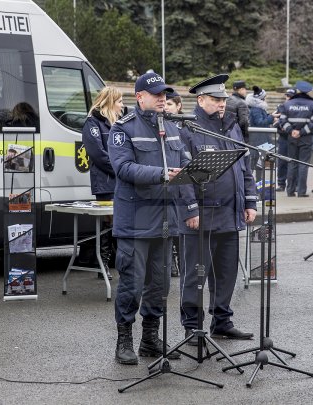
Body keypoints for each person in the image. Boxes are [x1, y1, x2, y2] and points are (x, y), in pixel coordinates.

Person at [107, 72, 197, 365]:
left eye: (164, 95)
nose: (162, 99)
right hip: (135, 222)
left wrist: (199, 171)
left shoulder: (171, 128)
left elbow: (184, 162)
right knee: (131, 285)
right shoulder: (123, 129)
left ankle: (149, 339)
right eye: (156, 94)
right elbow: (123, 168)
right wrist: (160, 175)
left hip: (165, 221)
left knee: (160, 287)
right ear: (140, 97)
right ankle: (124, 340)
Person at [178, 74, 258, 342]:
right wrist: (190, 210)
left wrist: (249, 201)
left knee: (225, 273)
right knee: (195, 275)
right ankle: (192, 326)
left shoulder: (232, 126)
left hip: (230, 213)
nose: (222, 103)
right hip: (203, 216)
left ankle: (222, 321)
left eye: (223, 99)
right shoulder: (189, 128)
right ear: (201, 100)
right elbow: (183, 175)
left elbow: (244, 168)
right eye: (215, 99)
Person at [81, 86, 125, 279]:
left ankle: (119, 263)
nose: (123, 105)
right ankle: (103, 264)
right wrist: (123, 168)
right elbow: (98, 154)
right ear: (109, 102)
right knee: (108, 224)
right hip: (106, 183)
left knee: (119, 224)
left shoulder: (119, 123)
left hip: (120, 181)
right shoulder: (92, 123)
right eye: (120, 101)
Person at [278, 81, 313, 197]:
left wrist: (292, 131)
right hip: (306, 138)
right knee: (303, 164)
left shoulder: (288, 104)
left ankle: (290, 191)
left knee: (292, 163)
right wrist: (301, 132)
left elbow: (282, 121)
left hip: (291, 138)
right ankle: (301, 191)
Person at [163, 90, 183, 278]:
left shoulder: (185, 127)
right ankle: (171, 264)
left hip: (182, 186)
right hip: (168, 183)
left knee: (180, 229)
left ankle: (180, 261)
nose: (166, 107)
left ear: (179, 107)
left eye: (170, 104)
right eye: (165, 103)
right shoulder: (162, 126)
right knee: (169, 227)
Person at [246, 86, 275, 180]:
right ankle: (253, 183)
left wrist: (270, 116)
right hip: (258, 139)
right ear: (261, 98)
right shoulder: (256, 109)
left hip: (260, 138)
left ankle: (259, 183)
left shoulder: (258, 108)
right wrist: (271, 118)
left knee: (260, 162)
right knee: (255, 162)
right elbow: (260, 123)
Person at [274, 88, 295, 192]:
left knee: (293, 162)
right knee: (282, 162)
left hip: (294, 139)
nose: (288, 98)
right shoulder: (281, 107)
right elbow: (276, 121)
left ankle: (293, 185)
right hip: (283, 138)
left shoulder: (297, 108)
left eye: (290, 96)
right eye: (287, 96)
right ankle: (281, 184)